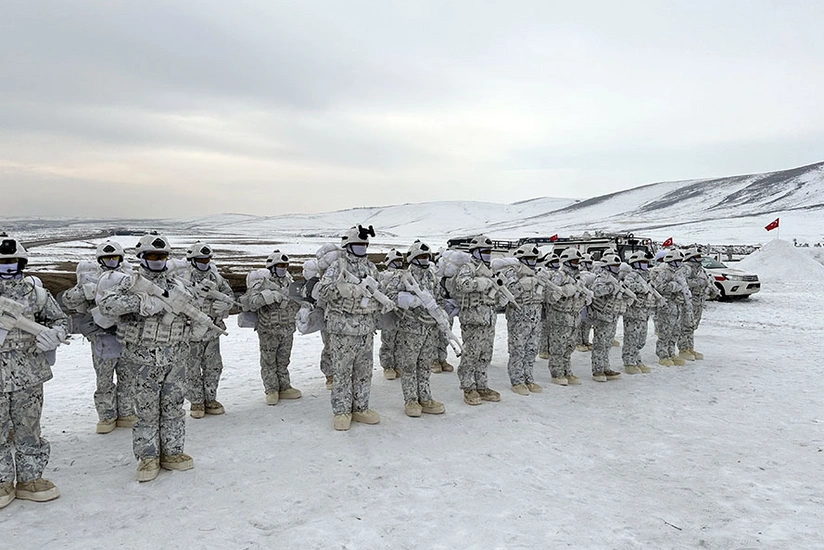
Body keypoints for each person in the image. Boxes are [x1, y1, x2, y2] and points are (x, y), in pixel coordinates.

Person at [97, 233, 199, 482]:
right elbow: (107, 305)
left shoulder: (178, 285)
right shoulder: (130, 282)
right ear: (141, 257)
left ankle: (173, 452)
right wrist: (142, 302)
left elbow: (193, 310)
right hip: (141, 359)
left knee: (174, 407)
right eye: (152, 256)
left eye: (162, 256)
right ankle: (148, 457)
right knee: (146, 410)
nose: (157, 260)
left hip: (175, 357)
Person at [0, 235, 67, 507]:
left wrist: (56, 334)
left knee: (29, 428)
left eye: (12, 261)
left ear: (22, 262)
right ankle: (2, 481)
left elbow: (59, 319)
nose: (7, 266)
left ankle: (30, 479)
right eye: (2, 262)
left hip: (29, 374)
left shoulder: (37, 294)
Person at [317, 225, 388, 430]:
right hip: (343, 329)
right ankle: (341, 411)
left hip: (366, 329)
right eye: (358, 244)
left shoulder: (370, 268)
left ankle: (361, 408)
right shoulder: (338, 267)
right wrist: (343, 289)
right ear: (348, 245)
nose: (362, 248)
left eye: (364, 244)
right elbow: (323, 291)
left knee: (364, 371)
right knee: (342, 372)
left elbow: (379, 291)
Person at [62, 241, 136, 433]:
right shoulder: (90, 278)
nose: (111, 261)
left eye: (114, 257)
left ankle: (127, 413)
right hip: (102, 336)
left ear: (120, 258)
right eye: (107, 258)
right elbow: (68, 299)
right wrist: (85, 290)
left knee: (127, 377)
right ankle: (106, 416)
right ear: (100, 259)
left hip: (126, 334)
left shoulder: (129, 278)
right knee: (104, 379)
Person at [385, 241, 446, 417]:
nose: (425, 260)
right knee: (409, 365)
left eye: (427, 256)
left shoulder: (432, 277)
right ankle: (411, 400)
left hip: (430, 328)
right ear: (412, 258)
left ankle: (426, 398)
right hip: (410, 328)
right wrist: (410, 300)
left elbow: (440, 298)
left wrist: (441, 314)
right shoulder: (403, 277)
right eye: (421, 256)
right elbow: (389, 297)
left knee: (425, 365)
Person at [179, 242, 234, 417]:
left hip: (212, 331)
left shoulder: (216, 278)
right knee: (191, 369)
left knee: (213, 366)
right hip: (190, 332)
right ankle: (196, 402)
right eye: (200, 259)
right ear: (192, 259)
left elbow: (230, 295)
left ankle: (210, 399)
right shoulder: (183, 278)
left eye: (207, 259)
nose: (204, 262)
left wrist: (224, 304)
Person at [242, 250, 302, 405]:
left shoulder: (289, 282)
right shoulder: (262, 282)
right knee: (269, 362)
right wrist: (266, 296)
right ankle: (271, 389)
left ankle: (284, 386)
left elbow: (297, 300)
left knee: (283, 360)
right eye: (280, 265)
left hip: (287, 329)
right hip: (269, 330)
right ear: (272, 267)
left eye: (286, 265)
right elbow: (252, 302)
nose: (284, 268)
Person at [453, 235, 502, 405]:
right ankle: (468, 388)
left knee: (485, 355)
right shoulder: (469, 267)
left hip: (488, 319)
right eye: (485, 251)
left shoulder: (490, 270)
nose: (488, 254)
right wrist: (482, 282)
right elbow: (462, 284)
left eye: (489, 251)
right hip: (473, 320)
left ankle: (482, 386)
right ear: (475, 251)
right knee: (470, 355)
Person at [498, 244, 544, 395]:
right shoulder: (512, 272)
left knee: (531, 350)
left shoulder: (537, 273)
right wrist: (522, 284)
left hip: (535, 318)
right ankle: (517, 381)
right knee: (518, 350)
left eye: (534, 258)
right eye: (529, 258)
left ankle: (529, 378)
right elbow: (507, 293)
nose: (532, 261)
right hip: (519, 319)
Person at [540, 248, 589, 386]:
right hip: (559, 318)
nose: (577, 263)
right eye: (574, 261)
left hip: (573, 317)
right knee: (558, 347)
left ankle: (567, 371)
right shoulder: (559, 276)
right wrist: (564, 292)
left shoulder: (578, 277)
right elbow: (549, 297)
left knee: (569, 346)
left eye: (578, 261)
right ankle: (557, 373)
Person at [587, 253, 629, 382]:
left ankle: (606, 367)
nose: (617, 268)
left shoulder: (615, 278)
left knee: (607, 343)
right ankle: (598, 370)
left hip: (612, 315)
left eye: (617, 265)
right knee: (600, 343)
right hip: (602, 316)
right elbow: (596, 291)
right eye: (614, 265)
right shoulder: (602, 278)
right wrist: (612, 288)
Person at [619, 252, 658, 374]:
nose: (646, 264)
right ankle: (629, 361)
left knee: (641, 339)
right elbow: (627, 286)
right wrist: (643, 288)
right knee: (631, 338)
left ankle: (636, 358)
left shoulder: (648, 275)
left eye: (646, 262)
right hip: (633, 312)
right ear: (636, 263)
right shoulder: (632, 275)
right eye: (643, 262)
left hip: (644, 312)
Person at [651, 250, 691, 367]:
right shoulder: (664, 273)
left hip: (677, 306)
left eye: (680, 261)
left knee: (675, 331)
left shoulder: (680, 273)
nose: (679, 263)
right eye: (677, 261)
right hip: (667, 306)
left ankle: (671, 353)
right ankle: (663, 355)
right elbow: (658, 288)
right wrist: (673, 287)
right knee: (665, 332)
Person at [677, 248, 717, 361]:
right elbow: (682, 282)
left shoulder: (700, 269)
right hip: (688, 301)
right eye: (698, 256)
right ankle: (683, 349)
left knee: (692, 325)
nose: (700, 258)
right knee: (685, 325)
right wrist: (698, 283)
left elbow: (707, 281)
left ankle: (690, 347)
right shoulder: (686, 268)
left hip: (698, 301)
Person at [378, 249, 404, 380]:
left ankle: (398, 364)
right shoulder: (383, 276)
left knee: (400, 340)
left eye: (400, 261)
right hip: (388, 313)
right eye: (395, 262)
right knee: (388, 340)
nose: (398, 264)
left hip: (402, 313)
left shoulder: (404, 275)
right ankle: (387, 366)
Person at [575, 253, 595, 352]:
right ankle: (578, 342)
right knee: (579, 322)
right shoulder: (578, 275)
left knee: (587, 322)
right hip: (579, 302)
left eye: (590, 263)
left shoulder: (592, 274)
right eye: (587, 263)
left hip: (589, 302)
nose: (589, 265)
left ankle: (586, 340)